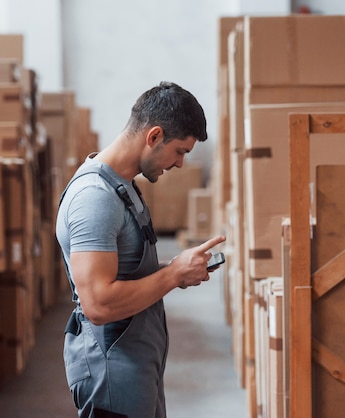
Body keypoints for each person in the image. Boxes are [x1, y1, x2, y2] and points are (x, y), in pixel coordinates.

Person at [55, 81, 226, 418]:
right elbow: (99, 304)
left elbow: (123, 269)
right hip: (112, 372)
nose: (180, 164)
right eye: (180, 151)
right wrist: (173, 276)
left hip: (135, 363)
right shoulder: (95, 197)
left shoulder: (123, 187)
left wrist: (173, 267)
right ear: (154, 136)